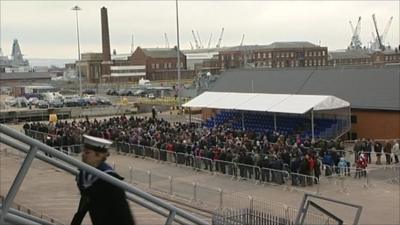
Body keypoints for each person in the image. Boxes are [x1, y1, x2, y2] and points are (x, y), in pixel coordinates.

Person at [71, 135, 135, 225]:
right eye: (84, 151)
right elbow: (84, 204)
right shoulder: (84, 174)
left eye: (87, 152)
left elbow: (124, 214)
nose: (83, 155)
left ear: (99, 156)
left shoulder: (111, 180)